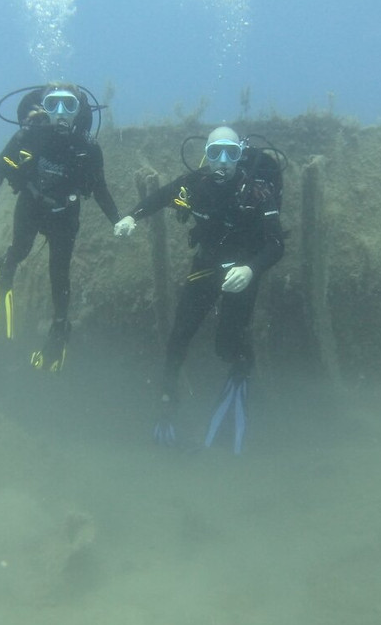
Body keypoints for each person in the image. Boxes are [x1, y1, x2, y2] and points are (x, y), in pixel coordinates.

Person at [114, 126, 284, 453]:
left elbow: (276, 245)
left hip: (242, 272)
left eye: (231, 154)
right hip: (206, 267)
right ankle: (167, 396)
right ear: (206, 154)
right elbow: (161, 197)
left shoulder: (257, 192)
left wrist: (251, 269)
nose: (223, 162)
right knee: (179, 334)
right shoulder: (195, 184)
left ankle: (241, 366)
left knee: (225, 346)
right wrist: (131, 218)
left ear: (240, 156)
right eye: (216, 153)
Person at [0, 82, 126, 372]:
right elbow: (0, 167)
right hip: (30, 206)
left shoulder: (88, 148)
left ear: (78, 112)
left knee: (59, 272)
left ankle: (60, 326)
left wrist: (117, 218)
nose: (61, 113)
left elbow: (100, 189)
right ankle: (6, 269)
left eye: (68, 106)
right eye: (53, 105)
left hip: (66, 213)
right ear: (43, 108)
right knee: (20, 249)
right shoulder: (28, 136)